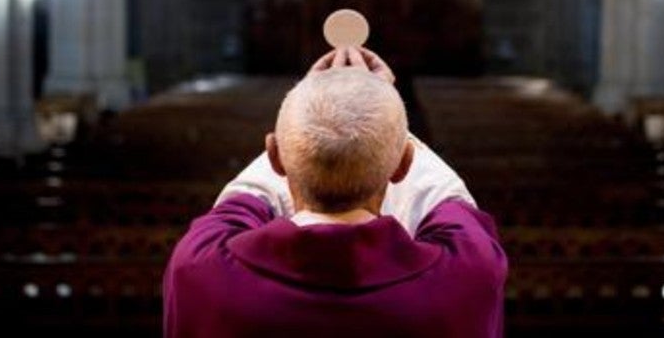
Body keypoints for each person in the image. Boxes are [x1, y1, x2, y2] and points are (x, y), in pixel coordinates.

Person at [163, 46, 507, 337]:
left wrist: (314, 104)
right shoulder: (467, 276)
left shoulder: (200, 269)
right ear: (403, 163)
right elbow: (449, 202)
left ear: (275, 156)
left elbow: (242, 199)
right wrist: (378, 108)